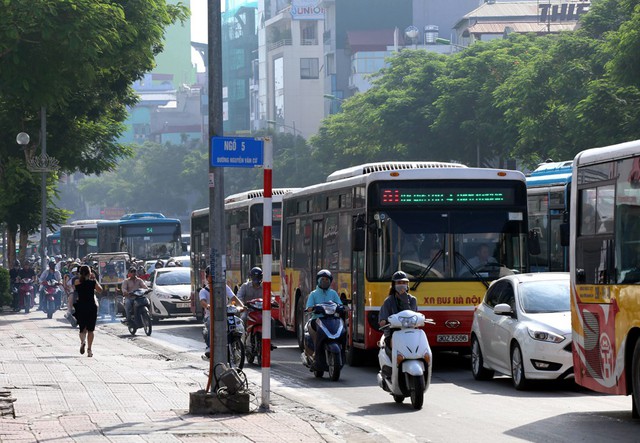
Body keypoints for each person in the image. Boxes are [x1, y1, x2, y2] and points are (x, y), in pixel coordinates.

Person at [199, 266, 242, 359]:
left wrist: (242, 306)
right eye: (212, 276)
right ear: (207, 278)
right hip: (211, 316)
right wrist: (207, 306)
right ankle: (209, 347)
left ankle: (238, 342)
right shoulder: (203, 291)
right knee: (210, 322)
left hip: (225, 314)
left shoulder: (224, 287)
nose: (215, 279)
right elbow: (202, 301)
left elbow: (233, 297)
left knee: (238, 321)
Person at [378, 271, 418, 353]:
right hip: (393, 333)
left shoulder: (412, 300)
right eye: (399, 282)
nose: (402, 285)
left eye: (404, 282)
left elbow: (412, 316)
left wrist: (405, 301)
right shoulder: (388, 301)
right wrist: (385, 321)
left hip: (410, 333)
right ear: (394, 285)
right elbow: (382, 320)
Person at [305, 269, 342, 354]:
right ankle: (316, 353)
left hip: (332, 320)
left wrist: (341, 308)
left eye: (327, 280)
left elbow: (340, 304)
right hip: (317, 320)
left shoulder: (333, 293)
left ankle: (342, 349)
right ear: (318, 280)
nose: (325, 281)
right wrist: (313, 308)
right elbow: (309, 307)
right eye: (322, 279)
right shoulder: (313, 294)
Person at [73, 265, 103, 357]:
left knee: (82, 329)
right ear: (90, 273)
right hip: (91, 307)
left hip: (81, 306)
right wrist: (94, 279)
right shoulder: (92, 282)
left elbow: (75, 289)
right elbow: (100, 290)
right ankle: (89, 350)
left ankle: (83, 341)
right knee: (91, 330)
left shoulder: (77, 282)